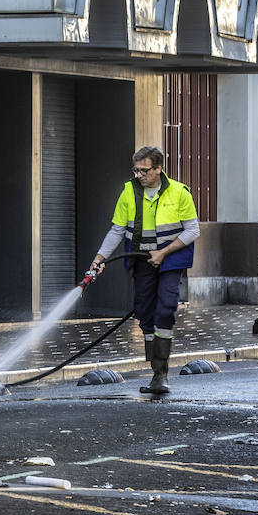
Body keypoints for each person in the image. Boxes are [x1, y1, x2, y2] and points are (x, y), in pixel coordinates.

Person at [89, 146, 200, 395]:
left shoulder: (179, 193)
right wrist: (99, 258)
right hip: (141, 260)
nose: (138, 175)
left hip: (171, 259)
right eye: (136, 170)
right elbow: (117, 230)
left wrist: (163, 253)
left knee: (165, 309)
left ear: (159, 168)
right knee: (145, 313)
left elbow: (193, 230)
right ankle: (155, 371)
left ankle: (161, 373)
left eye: (144, 170)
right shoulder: (129, 192)